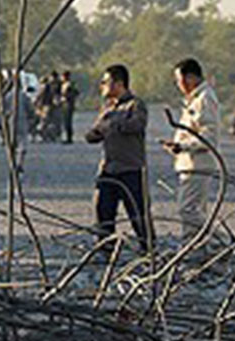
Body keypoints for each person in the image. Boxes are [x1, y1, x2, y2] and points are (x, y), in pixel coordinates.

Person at [85, 64, 151, 252]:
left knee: (138, 214)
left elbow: (137, 125)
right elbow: (93, 134)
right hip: (108, 168)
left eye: (105, 82)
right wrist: (99, 129)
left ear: (118, 84)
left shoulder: (136, 105)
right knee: (103, 212)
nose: (102, 86)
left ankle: (148, 251)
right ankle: (105, 249)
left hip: (131, 169)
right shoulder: (107, 107)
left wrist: (113, 123)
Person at [163, 58, 220, 245]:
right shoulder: (194, 99)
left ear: (190, 78)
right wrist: (177, 145)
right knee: (196, 210)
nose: (178, 85)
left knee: (187, 209)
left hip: (198, 164)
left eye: (179, 80)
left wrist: (184, 146)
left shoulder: (205, 99)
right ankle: (197, 247)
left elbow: (208, 136)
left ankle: (218, 241)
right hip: (188, 163)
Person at [60, 70, 80, 144]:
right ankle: (67, 136)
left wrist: (67, 96)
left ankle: (69, 138)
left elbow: (76, 93)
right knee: (65, 121)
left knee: (68, 121)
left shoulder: (70, 84)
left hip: (68, 104)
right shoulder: (63, 84)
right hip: (64, 104)